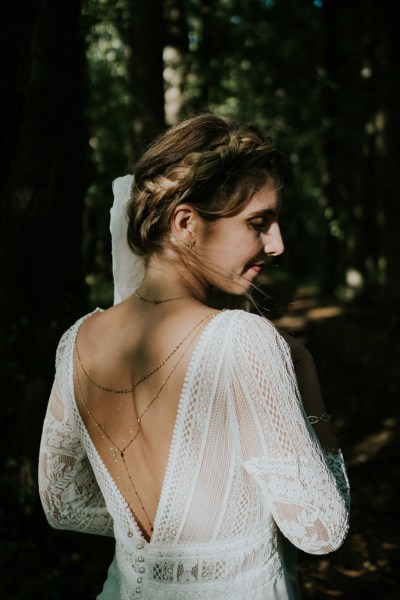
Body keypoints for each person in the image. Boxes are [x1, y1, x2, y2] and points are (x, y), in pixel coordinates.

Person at [38, 113, 350, 600]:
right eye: (258, 222)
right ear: (186, 222)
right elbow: (322, 530)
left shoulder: (78, 340)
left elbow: (64, 504)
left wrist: (161, 543)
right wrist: (304, 369)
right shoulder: (243, 341)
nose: (278, 244)